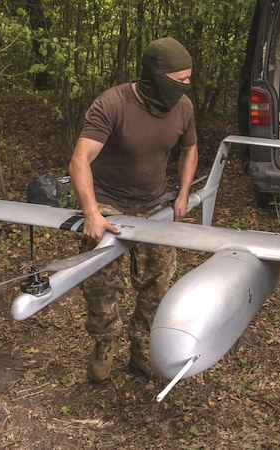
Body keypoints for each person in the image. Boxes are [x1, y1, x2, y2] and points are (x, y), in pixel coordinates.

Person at [68, 37, 199, 383]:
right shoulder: (112, 104)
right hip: (109, 202)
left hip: (155, 206)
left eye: (189, 78)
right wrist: (92, 212)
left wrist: (182, 193)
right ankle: (103, 345)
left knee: (157, 285)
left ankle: (142, 349)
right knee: (101, 286)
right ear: (156, 77)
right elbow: (80, 159)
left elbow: (190, 148)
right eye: (180, 79)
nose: (187, 85)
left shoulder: (183, 107)